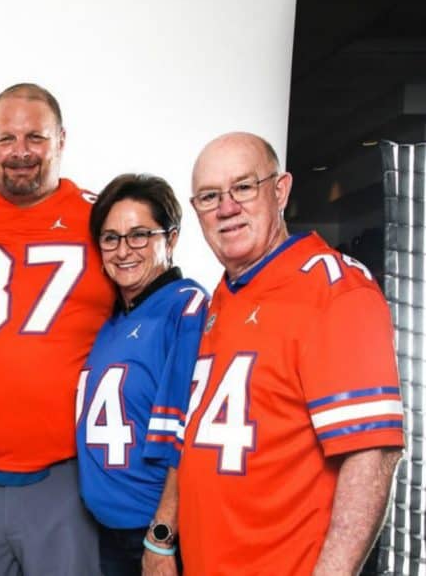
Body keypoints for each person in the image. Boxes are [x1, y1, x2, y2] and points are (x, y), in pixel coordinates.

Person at [178, 132, 404, 574]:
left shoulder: (333, 289)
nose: (226, 207)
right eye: (210, 196)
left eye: (244, 187)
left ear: (280, 190)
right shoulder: (226, 294)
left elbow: (372, 454)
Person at [0, 83, 116, 576]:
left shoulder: (104, 220)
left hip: (66, 471)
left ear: (61, 139)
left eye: (34, 137)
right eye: (5, 138)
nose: (20, 152)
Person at [75, 174, 207, 576]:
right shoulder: (112, 317)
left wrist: (162, 537)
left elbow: (186, 435)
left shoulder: (185, 309)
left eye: (139, 235)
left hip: (149, 536)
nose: (123, 250)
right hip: (101, 532)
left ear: (171, 238)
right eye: (111, 238)